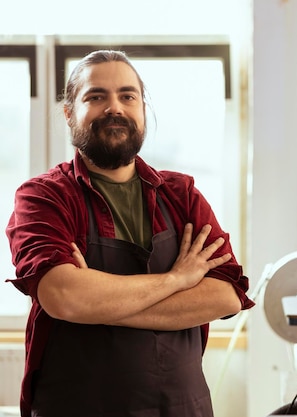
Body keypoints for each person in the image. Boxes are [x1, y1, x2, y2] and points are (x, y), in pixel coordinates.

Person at [5, 49, 255, 417]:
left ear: (141, 109)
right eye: (96, 96)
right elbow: (64, 298)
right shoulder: (44, 197)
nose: (114, 108)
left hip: (181, 408)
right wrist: (177, 279)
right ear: (70, 112)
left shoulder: (181, 194)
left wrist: (98, 303)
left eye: (127, 96)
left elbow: (226, 296)